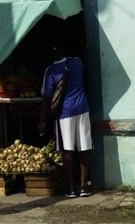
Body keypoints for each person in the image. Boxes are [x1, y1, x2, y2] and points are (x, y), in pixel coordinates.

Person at [38, 42, 93, 198]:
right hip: (82, 109)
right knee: (84, 147)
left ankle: (70, 188)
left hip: (64, 114)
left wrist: (42, 120)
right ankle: (83, 186)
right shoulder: (77, 62)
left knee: (67, 149)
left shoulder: (50, 71)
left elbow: (46, 98)